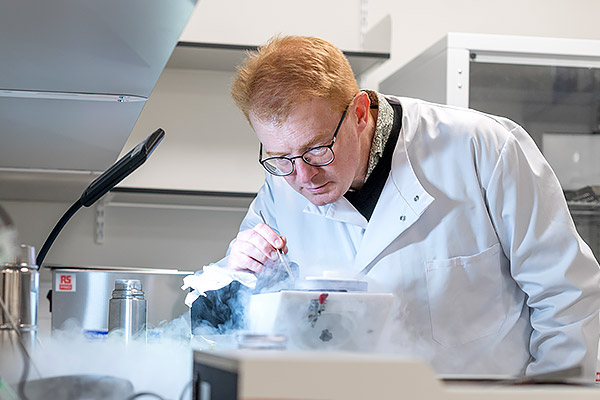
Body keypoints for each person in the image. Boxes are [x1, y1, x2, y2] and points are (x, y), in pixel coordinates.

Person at [217, 35, 600, 380]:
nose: (303, 176)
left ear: (360, 113)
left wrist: (553, 393)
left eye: (317, 149)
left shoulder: (482, 149)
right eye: (281, 156)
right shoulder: (279, 187)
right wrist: (240, 271)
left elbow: (567, 295)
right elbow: (235, 318)